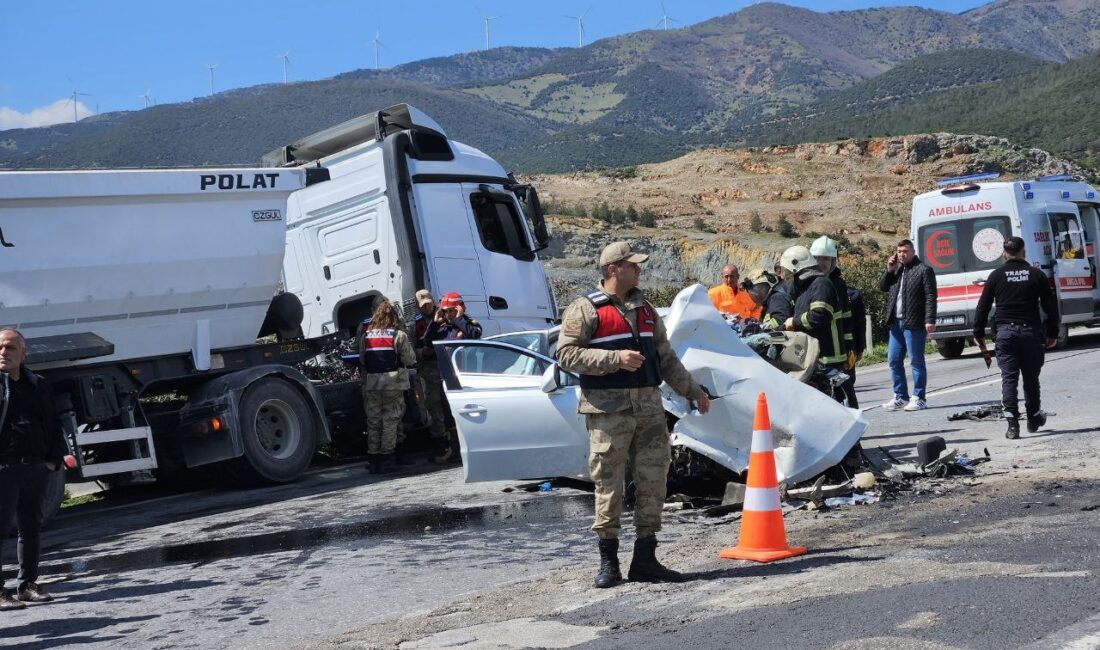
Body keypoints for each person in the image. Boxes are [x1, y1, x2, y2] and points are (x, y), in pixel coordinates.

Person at [557, 241, 710, 588]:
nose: (638, 269)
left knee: (654, 481)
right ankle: (609, 563)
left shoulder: (646, 311)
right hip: (608, 409)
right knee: (608, 485)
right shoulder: (585, 309)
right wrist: (615, 359)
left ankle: (645, 558)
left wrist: (694, 391)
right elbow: (566, 355)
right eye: (632, 265)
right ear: (612, 269)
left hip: (649, 409)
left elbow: (666, 358)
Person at [0, 328, 66, 610]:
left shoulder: (37, 383)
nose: (4, 352)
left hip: (34, 467)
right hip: (3, 469)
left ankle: (27, 585)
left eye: (10, 347)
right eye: (0, 347)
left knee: (30, 528)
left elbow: (52, 421)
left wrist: (54, 459)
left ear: (23, 353)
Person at [972, 236, 1058, 439]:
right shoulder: (1036, 274)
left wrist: (978, 332)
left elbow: (983, 306)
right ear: (1024, 252)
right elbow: (1050, 306)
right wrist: (1052, 332)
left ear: (1004, 253)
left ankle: (1012, 426)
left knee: (1009, 379)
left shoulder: (996, 275)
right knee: (1030, 378)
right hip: (1030, 333)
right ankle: (1034, 418)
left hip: (1006, 334)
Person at [421, 291, 482, 463]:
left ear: (460, 308)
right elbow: (427, 341)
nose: (448, 314)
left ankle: (473, 448)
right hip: (447, 377)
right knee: (449, 415)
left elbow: (475, 335)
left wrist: (459, 319)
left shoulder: (469, 323)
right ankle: (454, 449)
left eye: (451, 311)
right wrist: (434, 324)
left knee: (469, 413)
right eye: (446, 311)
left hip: (466, 376)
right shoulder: (443, 328)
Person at [880, 239, 937, 412]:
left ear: (913, 252)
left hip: (914, 322)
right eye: (898, 251)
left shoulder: (924, 270)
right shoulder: (896, 270)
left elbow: (930, 296)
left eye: (905, 251)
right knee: (893, 360)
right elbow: (883, 287)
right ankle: (901, 396)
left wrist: (930, 319)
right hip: (895, 323)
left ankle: (919, 397)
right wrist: (889, 271)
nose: (901, 254)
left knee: (916, 361)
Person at [360, 301, 417, 474]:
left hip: (372, 383)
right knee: (390, 420)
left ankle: (374, 459)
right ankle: (386, 458)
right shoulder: (398, 335)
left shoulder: (366, 336)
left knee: (374, 420)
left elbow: (363, 360)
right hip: (393, 382)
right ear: (393, 316)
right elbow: (410, 359)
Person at [412, 289, 449, 462]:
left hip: (448, 365)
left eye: (428, 303)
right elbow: (410, 351)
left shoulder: (445, 317)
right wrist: (422, 352)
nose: (426, 307)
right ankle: (440, 446)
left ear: (433, 301)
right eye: (422, 305)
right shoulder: (415, 324)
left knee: (451, 405)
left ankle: (455, 441)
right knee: (434, 407)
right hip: (429, 370)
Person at [809, 236, 854, 364]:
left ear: (833, 261)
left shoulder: (839, 285)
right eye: (817, 258)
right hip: (813, 352)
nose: (821, 262)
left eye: (825, 258)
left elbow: (846, 318)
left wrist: (850, 346)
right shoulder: (806, 284)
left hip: (838, 354)